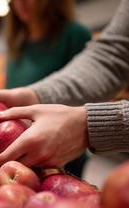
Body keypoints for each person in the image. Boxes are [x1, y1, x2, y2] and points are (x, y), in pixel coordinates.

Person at [0, 0, 129, 169]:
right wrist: (36, 95)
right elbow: (113, 56)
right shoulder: (17, 41)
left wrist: (88, 126)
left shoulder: (71, 34)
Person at [5, 0, 91, 177]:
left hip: (60, 152)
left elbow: (88, 91)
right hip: (16, 148)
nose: (20, 2)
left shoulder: (74, 35)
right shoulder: (18, 42)